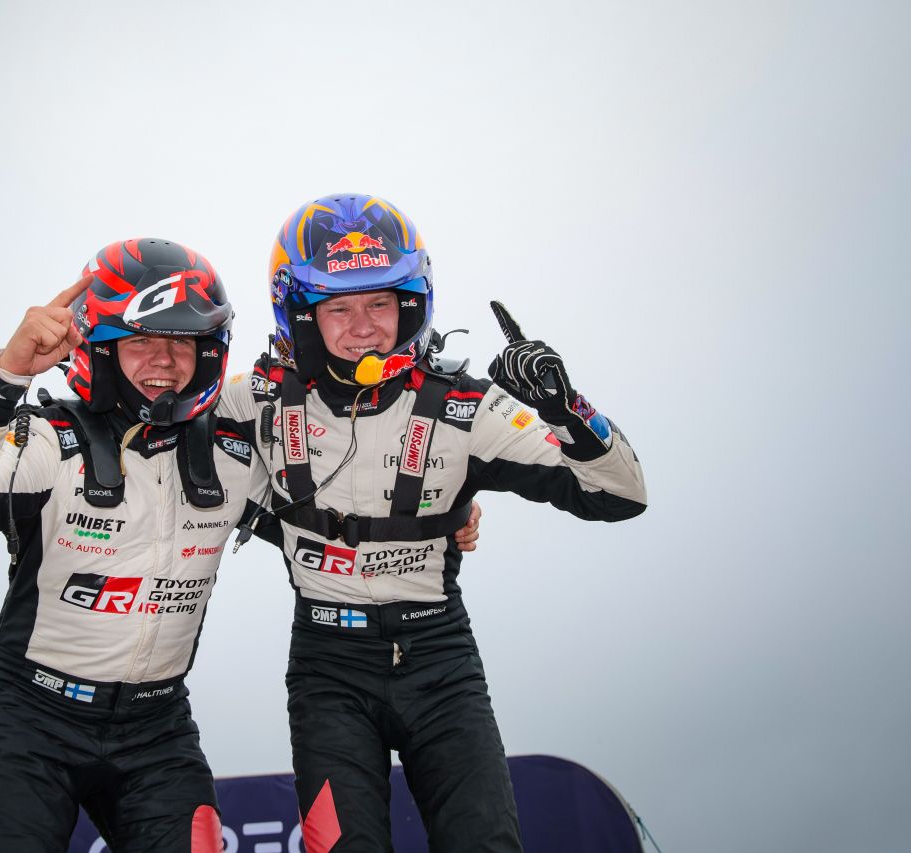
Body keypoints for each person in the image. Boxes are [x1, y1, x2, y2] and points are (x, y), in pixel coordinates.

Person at [0, 234, 489, 851]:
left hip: (156, 729)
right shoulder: (50, 441)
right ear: (99, 347)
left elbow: (326, 516)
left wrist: (445, 511)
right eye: (141, 342)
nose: (165, 360)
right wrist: (4, 374)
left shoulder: (233, 454)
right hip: (28, 718)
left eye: (184, 342)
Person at [219, 193, 648, 852]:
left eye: (380, 303)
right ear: (301, 314)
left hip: (440, 659)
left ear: (411, 304)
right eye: (338, 308)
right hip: (328, 666)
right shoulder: (255, 400)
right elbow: (151, 455)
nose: (364, 327)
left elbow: (620, 495)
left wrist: (567, 408)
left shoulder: (466, 406)